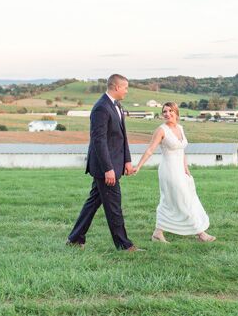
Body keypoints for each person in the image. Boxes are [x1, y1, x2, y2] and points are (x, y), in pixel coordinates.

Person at [66, 74, 143, 252]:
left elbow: (122, 138)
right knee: (114, 206)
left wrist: (127, 161)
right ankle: (124, 245)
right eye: (125, 88)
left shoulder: (117, 106)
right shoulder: (101, 108)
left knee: (93, 203)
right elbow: (98, 141)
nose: (126, 91)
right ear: (116, 87)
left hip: (115, 164)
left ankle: (75, 238)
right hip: (105, 168)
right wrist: (108, 169)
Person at [133, 102, 215, 243]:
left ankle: (158, 233)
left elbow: (181, 151)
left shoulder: (180, 128)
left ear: (176, 113)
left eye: (170, 111)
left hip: (180, 170)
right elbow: (150, 150)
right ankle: (200, 233)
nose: (167, 114)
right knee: (182, 199)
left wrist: (186, 169)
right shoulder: (161, 130)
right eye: (164, 111)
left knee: (178, 199)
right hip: (169, 170)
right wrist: (139, 166)